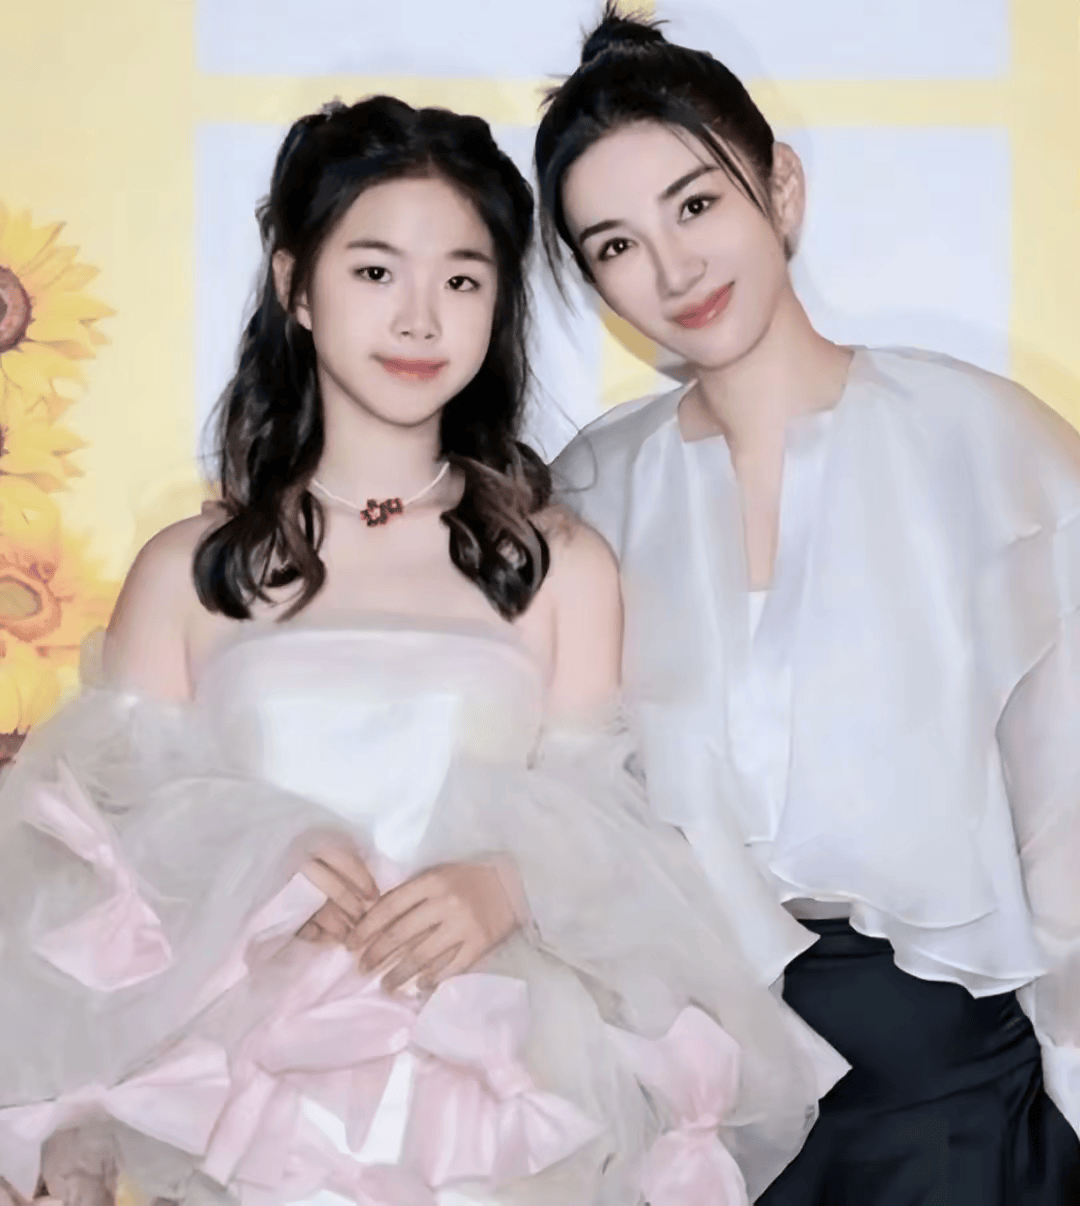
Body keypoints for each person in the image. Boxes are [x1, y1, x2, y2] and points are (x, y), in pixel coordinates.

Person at [0, 95, 844, 1206]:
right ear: (296, 286)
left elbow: (615, 818)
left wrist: (508, 884)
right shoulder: (189, 572)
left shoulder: (558, 565)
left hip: (502, 1090)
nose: (419, 319)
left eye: (462, 280)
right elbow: (99, 844)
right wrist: (252, 857)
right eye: (374, 272)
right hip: (250, 1105)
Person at [538, 6, 1080, 1203]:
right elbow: (556, 809)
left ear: (780, 187)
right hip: (692, 1101)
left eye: (696, 204)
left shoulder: (989, 447)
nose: (674, 270)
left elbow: (1069, 815)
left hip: (952, 1095)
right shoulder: (586, 496)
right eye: (616, 244)